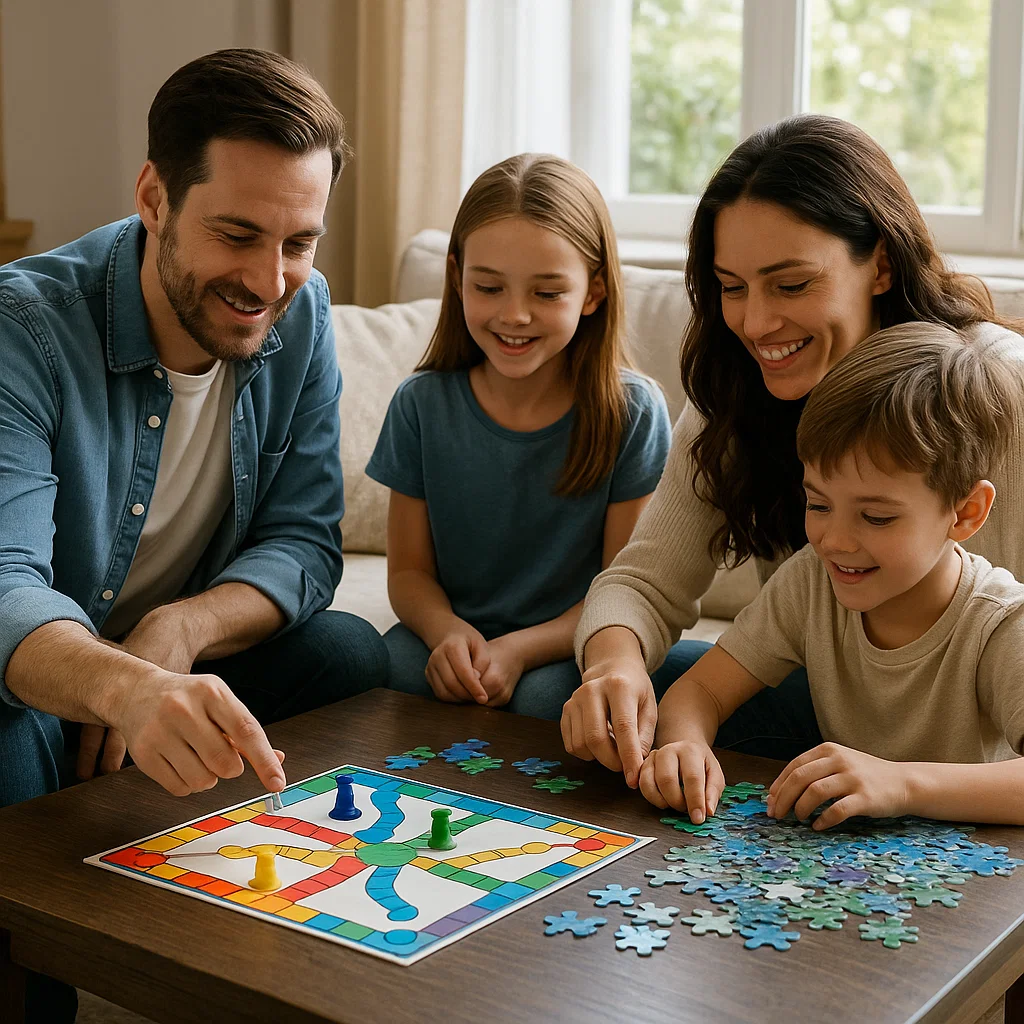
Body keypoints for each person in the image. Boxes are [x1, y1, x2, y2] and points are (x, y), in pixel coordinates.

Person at [562, 113, 1024, 786]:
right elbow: (644, 582)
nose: (755, 323)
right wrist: (613, 666)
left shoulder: (995, 388)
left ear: (881, 264)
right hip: (827, 707)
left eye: (791, 283)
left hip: (982, 755)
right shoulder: (737, 396)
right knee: (583, 704)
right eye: (731, 286)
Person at [0, 49, 390, 811]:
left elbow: (304, 541)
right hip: (47, 677)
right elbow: (6, 589)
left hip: (162, 669)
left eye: (298, 243)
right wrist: (128, 688)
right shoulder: (24, 329)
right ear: (154, 197)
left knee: (348, 653)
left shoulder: (302, 316)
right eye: (237, 234)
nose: (269, 281)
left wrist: (180, 628)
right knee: (7, 736)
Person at [640, 324, 1024, 830]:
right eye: (818, 503)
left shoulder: (999, 622)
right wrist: (684, 745)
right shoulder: (811, 580)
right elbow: (701, 692)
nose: (835, 540)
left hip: (968, 865)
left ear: (966, 513)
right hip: (836, 849)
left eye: (877, 517)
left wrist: (900, 782)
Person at [367, 154, 671, 720]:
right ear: (457, 278)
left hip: (570, 642)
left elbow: (623, 589)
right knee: (383, 670)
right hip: (451, 636)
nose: (515, 316)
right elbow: (408, 574)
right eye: (489, 287)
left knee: (543, 704)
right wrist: (447, 634)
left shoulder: (633, 411)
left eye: (547, 293)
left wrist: (518, 650)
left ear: (594, 291)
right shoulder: (421, 405)